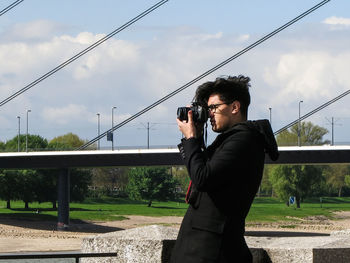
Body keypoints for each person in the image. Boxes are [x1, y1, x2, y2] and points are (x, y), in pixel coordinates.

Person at [171, 75, 279, 263]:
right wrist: (195, 137)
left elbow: (202, 178)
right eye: (207, 109)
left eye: (213, 108)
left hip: (212, 250)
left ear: (235, 107)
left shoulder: (243, 140)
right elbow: (205, 173)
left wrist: (190, 139)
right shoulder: (231, 140)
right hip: (203, 247)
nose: (209, 114)